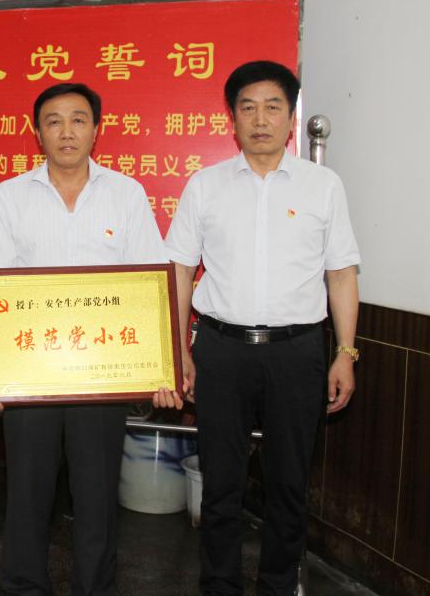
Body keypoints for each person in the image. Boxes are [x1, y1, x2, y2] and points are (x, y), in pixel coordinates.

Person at [158, 60, 360, 595]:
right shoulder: (205, 186)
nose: (260, 118)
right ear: (233, 118)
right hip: (221, 349)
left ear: (291, 118)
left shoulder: (322, 186)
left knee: (288, 485)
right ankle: (219, 586)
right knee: (221, 485)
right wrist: (179, 349)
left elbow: (341, 273)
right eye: (247, 107)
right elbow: (180, 270)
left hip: (297, 353)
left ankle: (278, 586)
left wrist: (345, 353)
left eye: (273, 107)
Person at [0, 83, 168, 595]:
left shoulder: (125, 194)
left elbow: (150, 284)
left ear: (96, 129)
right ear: (36, 132)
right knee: (27, 496)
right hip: (28, 376)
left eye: (78, 120)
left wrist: (161, 368)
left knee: (97, 499)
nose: (66, 131)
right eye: (53, 121)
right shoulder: (10, 196)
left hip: (101, 376)